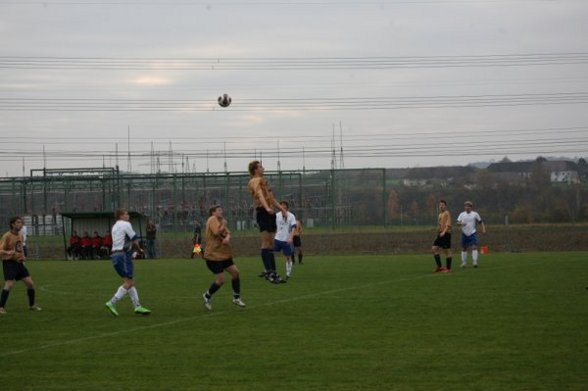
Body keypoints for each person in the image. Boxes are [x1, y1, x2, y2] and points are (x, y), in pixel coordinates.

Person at [105, 208, 151, 316]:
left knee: (129, 282)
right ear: (121, 216)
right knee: (129, 282)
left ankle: (137, 306)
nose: (128, 215)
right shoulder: (126, 224)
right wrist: (139, 250)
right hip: (123, 255)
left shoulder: (115, 226)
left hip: (115, 255)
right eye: (126, 214)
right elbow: (134, 239)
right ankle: (112, 302)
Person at [247, 160, 287, 284]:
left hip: (270, 213)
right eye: (260, 167)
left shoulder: (264, 181)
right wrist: (267, 207)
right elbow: (259, 195)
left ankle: (273, 273)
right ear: (255, 170)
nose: (263, 168)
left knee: (270, 243)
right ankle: (270, 273)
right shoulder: (255, 181)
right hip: (263, 212)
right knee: (265, 242)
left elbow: (271, 198)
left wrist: (282, 210)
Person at [201, 205, 245, 311]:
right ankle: (207, 295)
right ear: (213, 212)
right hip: (213, 255)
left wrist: (228, 238)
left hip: (224, 254)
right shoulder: (212, 219)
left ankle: (236, 298)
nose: (221, 211)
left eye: (221, 210)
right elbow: (217, 232)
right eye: (219, 210)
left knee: (235, 273)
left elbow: (228, 233)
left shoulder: (221, 221)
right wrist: (224, 225)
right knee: (221, 280)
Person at [0, 216, 42, 315]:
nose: (20, 224)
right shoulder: (7, 236)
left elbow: (20, 247)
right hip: (9, 263)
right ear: (12, 224)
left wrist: (23, 256)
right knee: (9, 284)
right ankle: (1, 307)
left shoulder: (20, 235)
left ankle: (32, 305)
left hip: (19, 263)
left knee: (30, 284)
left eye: (21, 222)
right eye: (18, 222)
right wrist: (7, 252)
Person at [457, 201, 487, 268]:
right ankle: (464, 263)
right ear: (464, 207)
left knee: (474, 247)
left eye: (468, 206)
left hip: (472, 233)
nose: (467, 207)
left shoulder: (475, 214)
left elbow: (481, 222)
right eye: (466, 206)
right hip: (464, 233)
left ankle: (475, 262)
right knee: (464, 248)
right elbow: (457, 222)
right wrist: (461, 223)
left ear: (471, 207)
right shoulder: (462, 214)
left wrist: (484, 229)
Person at [274, 201, 297, 280]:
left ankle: (288, 273)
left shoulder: (291, 216)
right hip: (277, 238)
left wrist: (291, 237)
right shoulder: (277, 215)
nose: (283, 207)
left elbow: (294, 227)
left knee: (288, 256)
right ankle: (269, 271)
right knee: (270, 252)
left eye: (284, 205)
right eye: (281, 205)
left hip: (286, 239)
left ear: (287, 207)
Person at [432, 200, 453, 273]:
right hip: (440, 234)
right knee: (434, 248)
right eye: (440, 205)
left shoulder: (447, 213)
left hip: (446, 233)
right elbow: (439, 225)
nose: (441, 206)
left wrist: (444, 232)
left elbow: (448, 224)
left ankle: (448, 269)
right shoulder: (440, 214)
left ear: (445, 206)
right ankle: (439, 267)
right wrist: (438, 232)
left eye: (443, 205)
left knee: (446, 251)